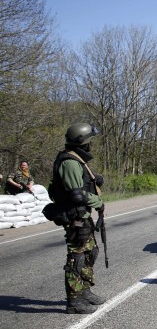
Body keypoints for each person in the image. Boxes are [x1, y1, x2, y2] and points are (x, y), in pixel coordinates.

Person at [49, 123, 106, 314]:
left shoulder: (77, 160)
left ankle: (85, 291)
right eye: (90, 141)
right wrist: (96, 200)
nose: (91, 145)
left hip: (83, 215)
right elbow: (77, 195)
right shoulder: (70, 162)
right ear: (82, 142)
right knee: (77, 257)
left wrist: (93, 180)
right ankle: (74, 300)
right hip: (75, 217)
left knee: (91, 252)